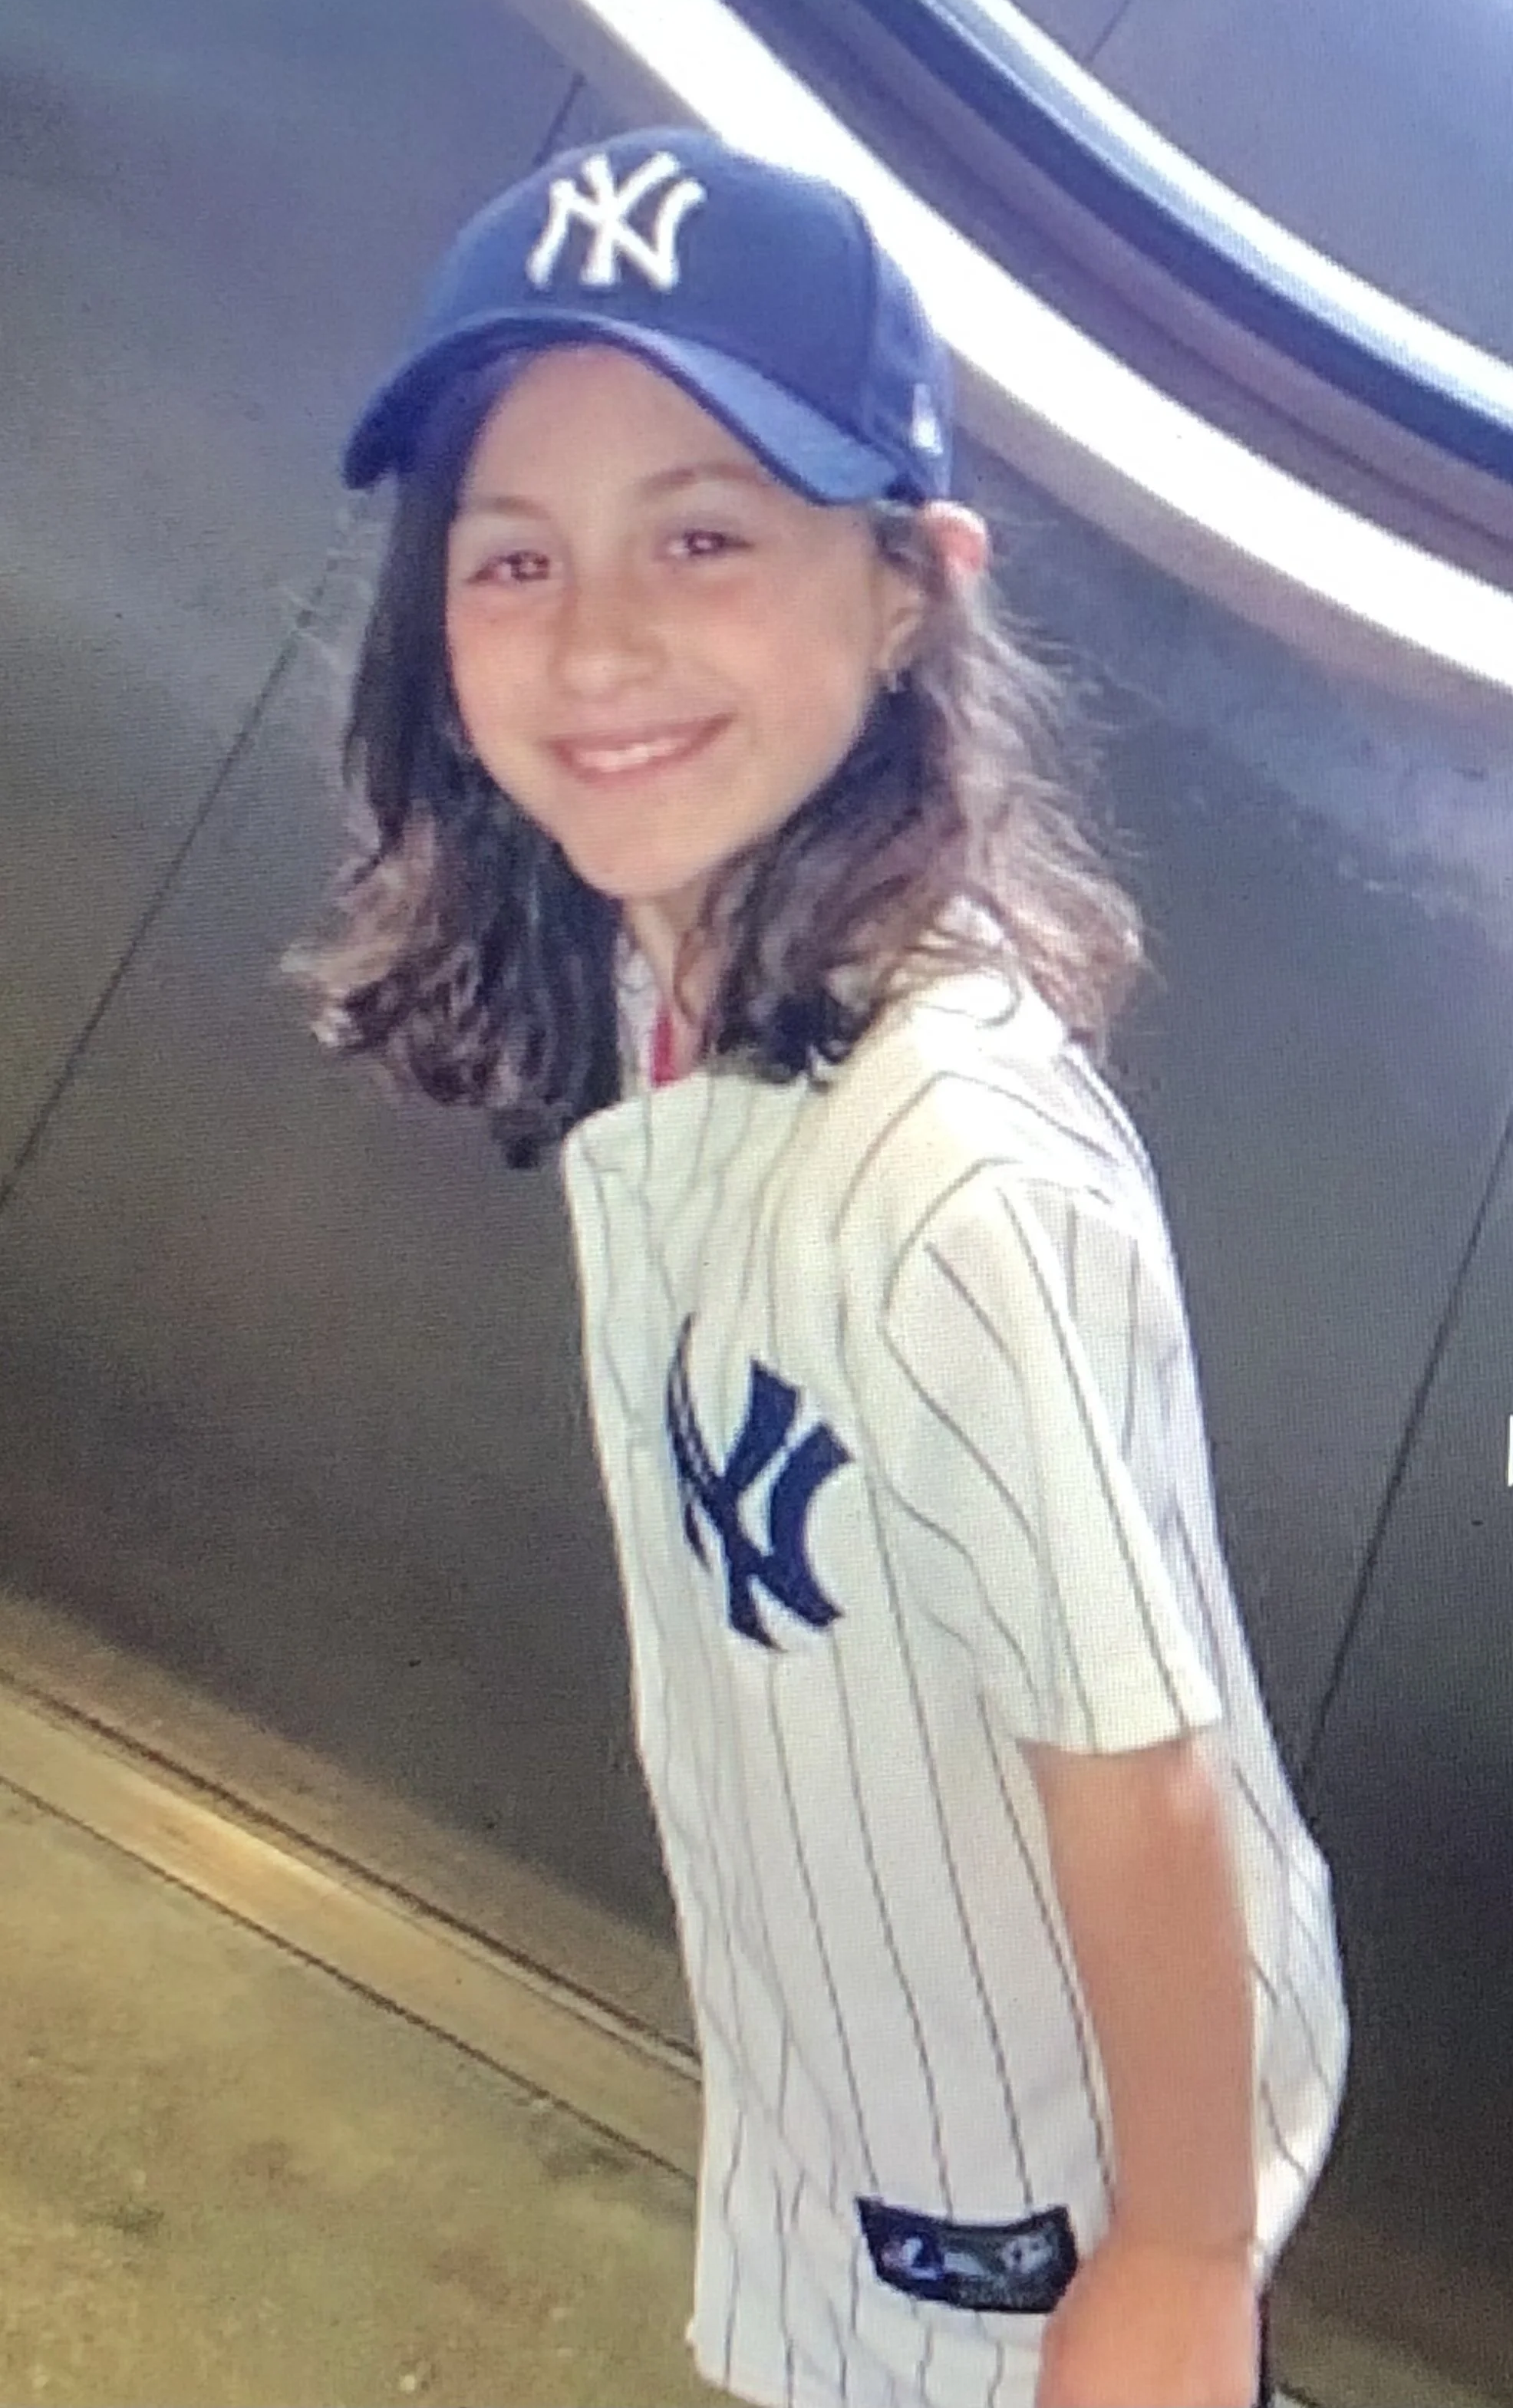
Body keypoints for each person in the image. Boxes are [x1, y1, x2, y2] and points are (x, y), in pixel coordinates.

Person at [283, 127, 1347, 2408]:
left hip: (1043, 2210)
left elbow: (1137, 1775)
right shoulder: (671, 975)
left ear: (905, 589)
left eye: (703, 535)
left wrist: (1174, 2263)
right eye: (513, 555)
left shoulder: (950, 1172)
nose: (596, 639)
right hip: (859, 2086)